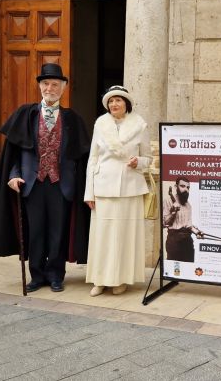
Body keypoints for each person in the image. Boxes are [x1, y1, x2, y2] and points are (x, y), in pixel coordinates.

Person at [0, 63, 91, 293]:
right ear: (40, 86)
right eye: (46, 84)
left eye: (55, 84)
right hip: (32, 184)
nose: (50, 88)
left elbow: (83, 157)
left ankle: (56, 275)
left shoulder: (72, 119)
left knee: (58, 232)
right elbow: (14, 153)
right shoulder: (25, 114)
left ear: (63, 88)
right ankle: (37, 275)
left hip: (63, 185)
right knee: (36, 231)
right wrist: (14, 175)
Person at [84, 86, 152, 296]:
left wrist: (138, 161)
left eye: (119, 100)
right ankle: (100, 280)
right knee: (102, 236)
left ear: (126, 103)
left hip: (129, 188)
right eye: (111, 101)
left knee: (124, 236)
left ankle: (121, 279)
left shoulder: (139, 125)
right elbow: (93, 159)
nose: (114, 104)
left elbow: (148, 158)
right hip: (103, 186)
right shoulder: (100, 124)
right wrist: (89, 192)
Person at [162, 176, 204, 263]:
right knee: (174, 268)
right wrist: (173, 213)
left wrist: (197, 232)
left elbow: (188, 225)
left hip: (187, 241)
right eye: (182, 186)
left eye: (188, 187)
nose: (186, 189)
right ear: (176, 187)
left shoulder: (188, 205)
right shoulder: (168, 201)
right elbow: (165, 223)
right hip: (174, 240)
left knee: (188, 267)